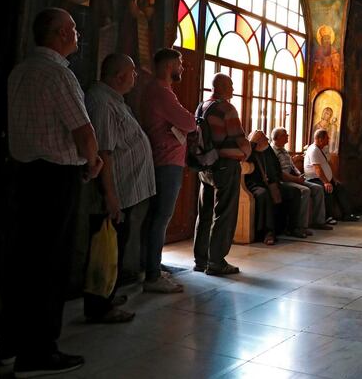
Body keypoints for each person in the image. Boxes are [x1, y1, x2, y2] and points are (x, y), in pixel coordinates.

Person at [1, 7, 104, 376]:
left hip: (22, 174)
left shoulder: (20, 71)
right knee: (50, 264)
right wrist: (93, 162)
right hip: (55, 178)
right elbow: (82, 130)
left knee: (22, 260)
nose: (77, 34)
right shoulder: (58, 74)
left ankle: (9, 345)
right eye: (73, 28)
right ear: (60, 34)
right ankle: (39, 352)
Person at [83, 53, 155, 322]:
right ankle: (100, 305)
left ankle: (108, 295)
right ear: (119, 75)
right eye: (133, 72)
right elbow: (105, 152)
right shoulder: (101, 102)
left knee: (116, 245)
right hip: (115, 191)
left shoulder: (113, 100)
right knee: (107, 248)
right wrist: (111, 196)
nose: (136, 77)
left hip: (125, 189)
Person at [139, 48, 196, 293]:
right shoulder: (162, 93)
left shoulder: (160, 91)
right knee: (160, 218)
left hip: (164, 160)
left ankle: (152, 264)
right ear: (168, 66)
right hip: (166, 162)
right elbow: (190, 123)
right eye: (179, 63)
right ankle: (152, 274)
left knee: (156, 217)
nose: (182, 68)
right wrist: (185, 123)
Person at [193, 73, 252, 275]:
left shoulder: (202, 106)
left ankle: (201, 260)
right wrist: (246, 152)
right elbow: (240, 138)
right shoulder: (227, 108)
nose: (234, 89)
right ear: (222, 87)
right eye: (231, 85)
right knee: (224, 213)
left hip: (205, 166)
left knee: (205, 213)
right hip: (226, 165)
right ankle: (216, 261)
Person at [244, 130, 301, 245]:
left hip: (272, 183)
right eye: (263, 139)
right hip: (255, 185)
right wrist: (251, 144)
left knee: (294, 192)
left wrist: (275, 182)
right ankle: (268, 232)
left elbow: (276, 168)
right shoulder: (250, 150)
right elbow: (244, 162)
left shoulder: (268, 150)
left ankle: (292, 228)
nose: (267, 141)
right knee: (264, 194)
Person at [271, 127, 334, 230]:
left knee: (318, 188)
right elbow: (280, 173)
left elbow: (292, 166)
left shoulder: (284, 150)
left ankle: (318, 222)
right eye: (285, 135)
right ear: (278, 137)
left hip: (294, 178)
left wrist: (299, 174)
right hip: (284, 181)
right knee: (305, 190)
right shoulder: (272, 151)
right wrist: (296, 179)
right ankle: (301, 226)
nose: (288, 136)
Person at [304, 129, 360, 222]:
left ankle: (347, 214)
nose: (328, 140)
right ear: (320, 139)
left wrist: (333, 178)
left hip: (325, 178)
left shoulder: (324, 148)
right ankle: (328, 217)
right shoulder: (313, 150)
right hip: (315, 179)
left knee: (340, 187)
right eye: (327, 138)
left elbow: (328, 164)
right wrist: (326, 182)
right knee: (328, 189)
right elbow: (318, 169)